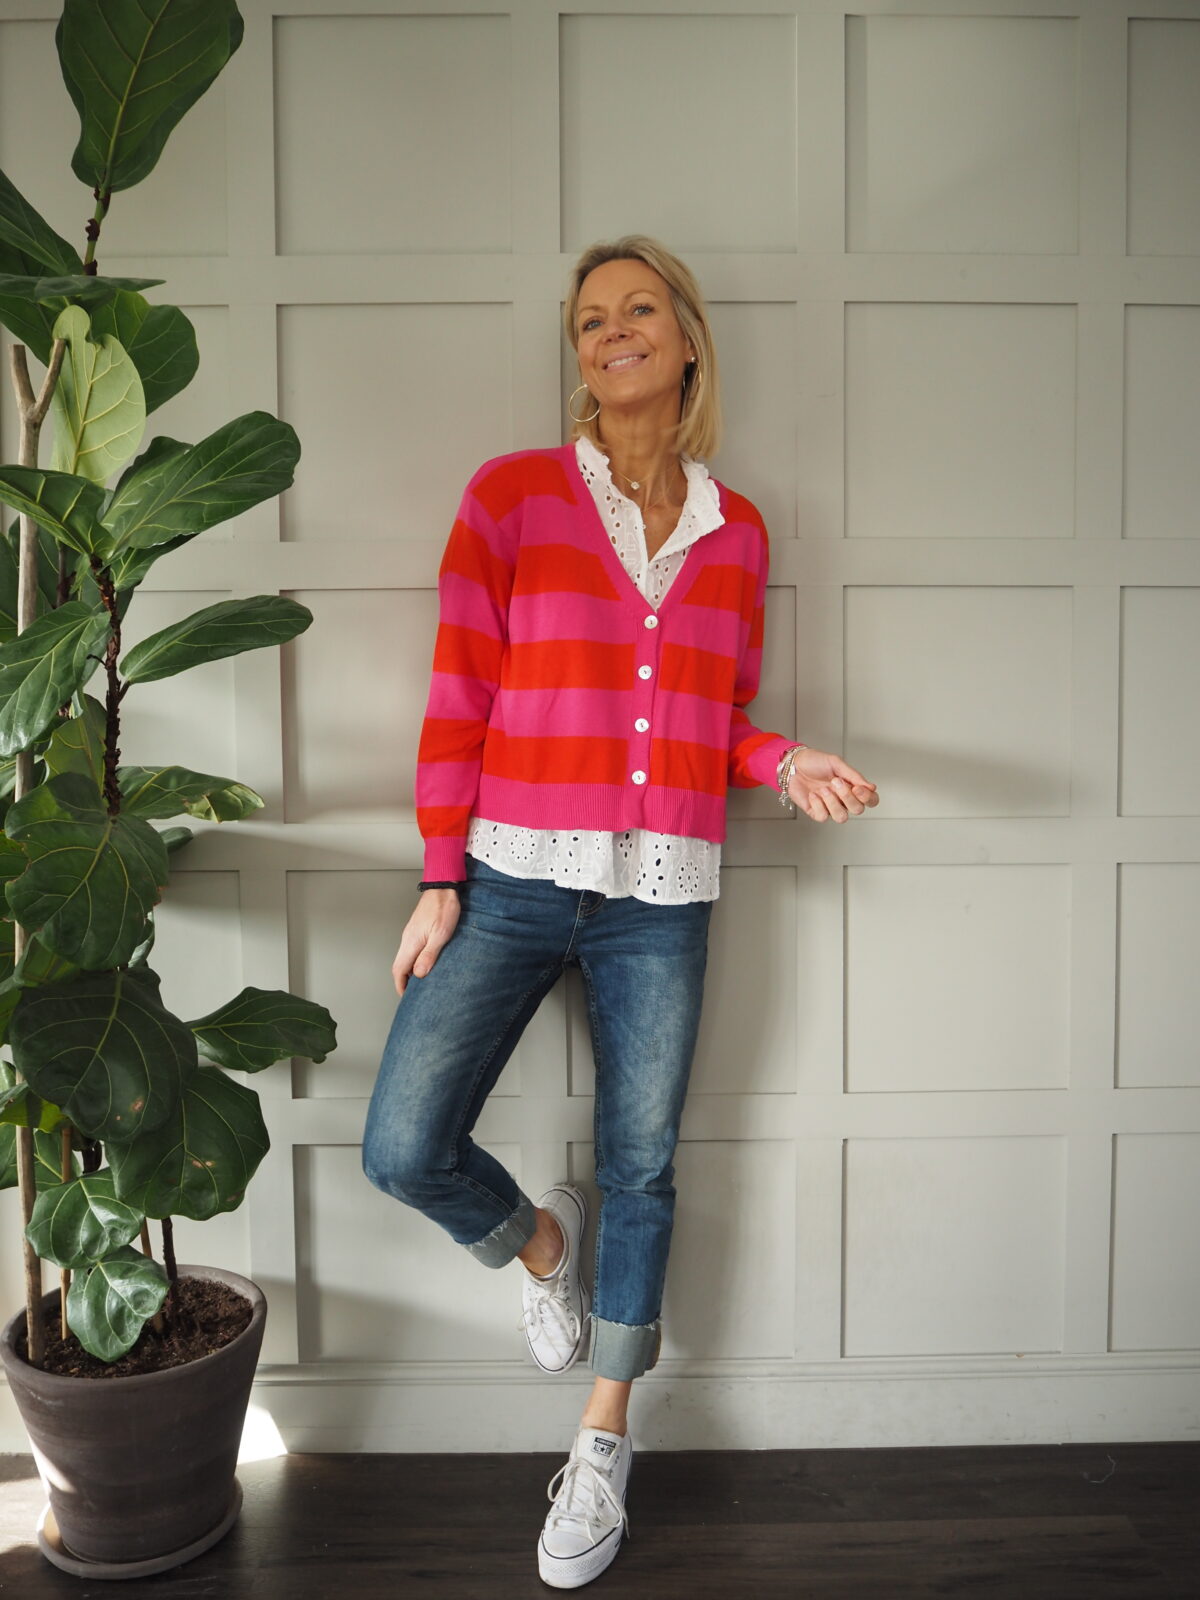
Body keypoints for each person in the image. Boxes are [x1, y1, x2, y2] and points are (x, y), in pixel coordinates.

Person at [362, 234, 879, 1590]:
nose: (612, 331)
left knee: (643, 1166)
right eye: (591, 319)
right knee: (403, 1143)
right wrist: (440, 872)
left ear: (688, 339)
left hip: (664, 895)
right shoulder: (513, 497)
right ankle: (544, 1245)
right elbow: (459, 691)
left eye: (639, 309)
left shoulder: (738, 529)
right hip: (514, 876)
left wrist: (782, 761)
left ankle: (603, 1440)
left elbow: (713, 716)